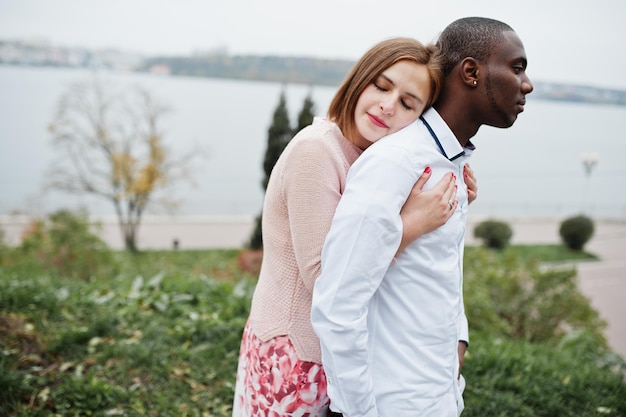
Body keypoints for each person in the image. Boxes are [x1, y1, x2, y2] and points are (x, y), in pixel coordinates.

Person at [231, 37, 478, 417]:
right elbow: (325, 277)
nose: (387, 105)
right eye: (381, 86)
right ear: (359, 80)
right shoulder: (317, 151)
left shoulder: (373, 159)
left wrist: (452, 194)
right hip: (296, 360)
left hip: (338, 361)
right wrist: (411, 223)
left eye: (408, 103)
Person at [311, 16, 534, 417]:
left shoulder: (451, 164)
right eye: (517, 67)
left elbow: (437, 269)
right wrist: (360, 412)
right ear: (471, 72)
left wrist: (458, 341)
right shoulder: (397, 162)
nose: (527, 84)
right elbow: (336, 305)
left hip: (439, 396)